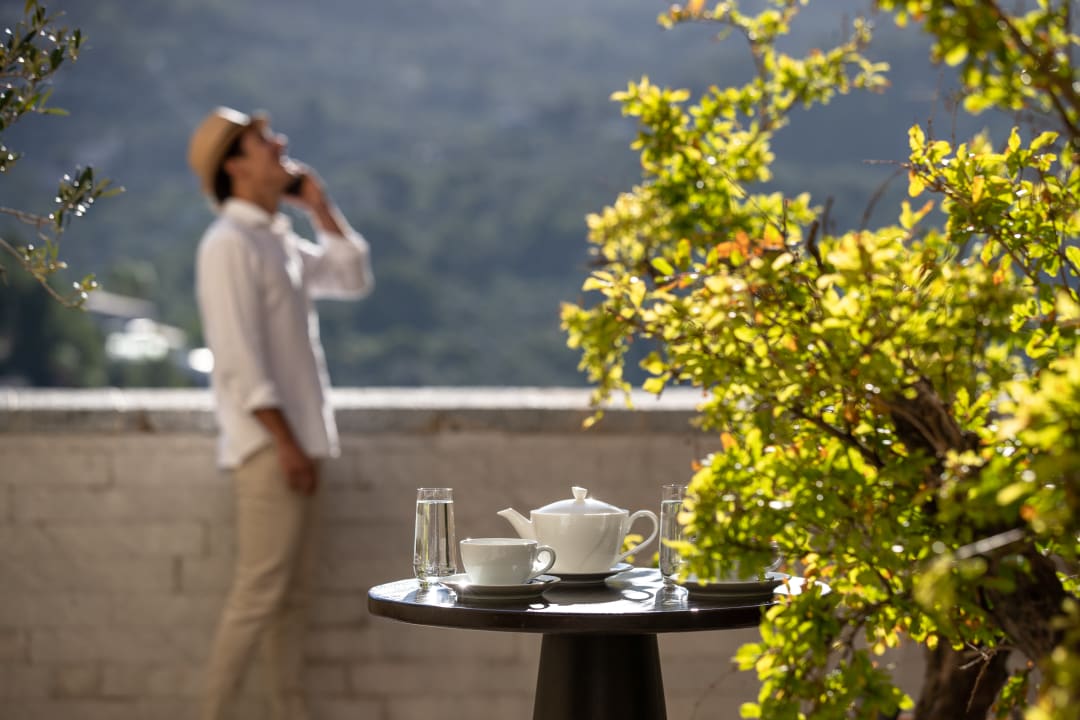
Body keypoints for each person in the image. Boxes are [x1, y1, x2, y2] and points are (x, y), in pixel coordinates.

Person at [187, 106, 374, 720]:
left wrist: (319, 206)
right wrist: (287, 446)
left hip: (298, 444)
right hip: (272, 448)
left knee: (290, 603)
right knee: (259, 597)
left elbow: (351, 276)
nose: (280, 143)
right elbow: (238, 360)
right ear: (235, 167)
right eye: (262, 140)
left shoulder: (275, 239)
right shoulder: (228, 243)